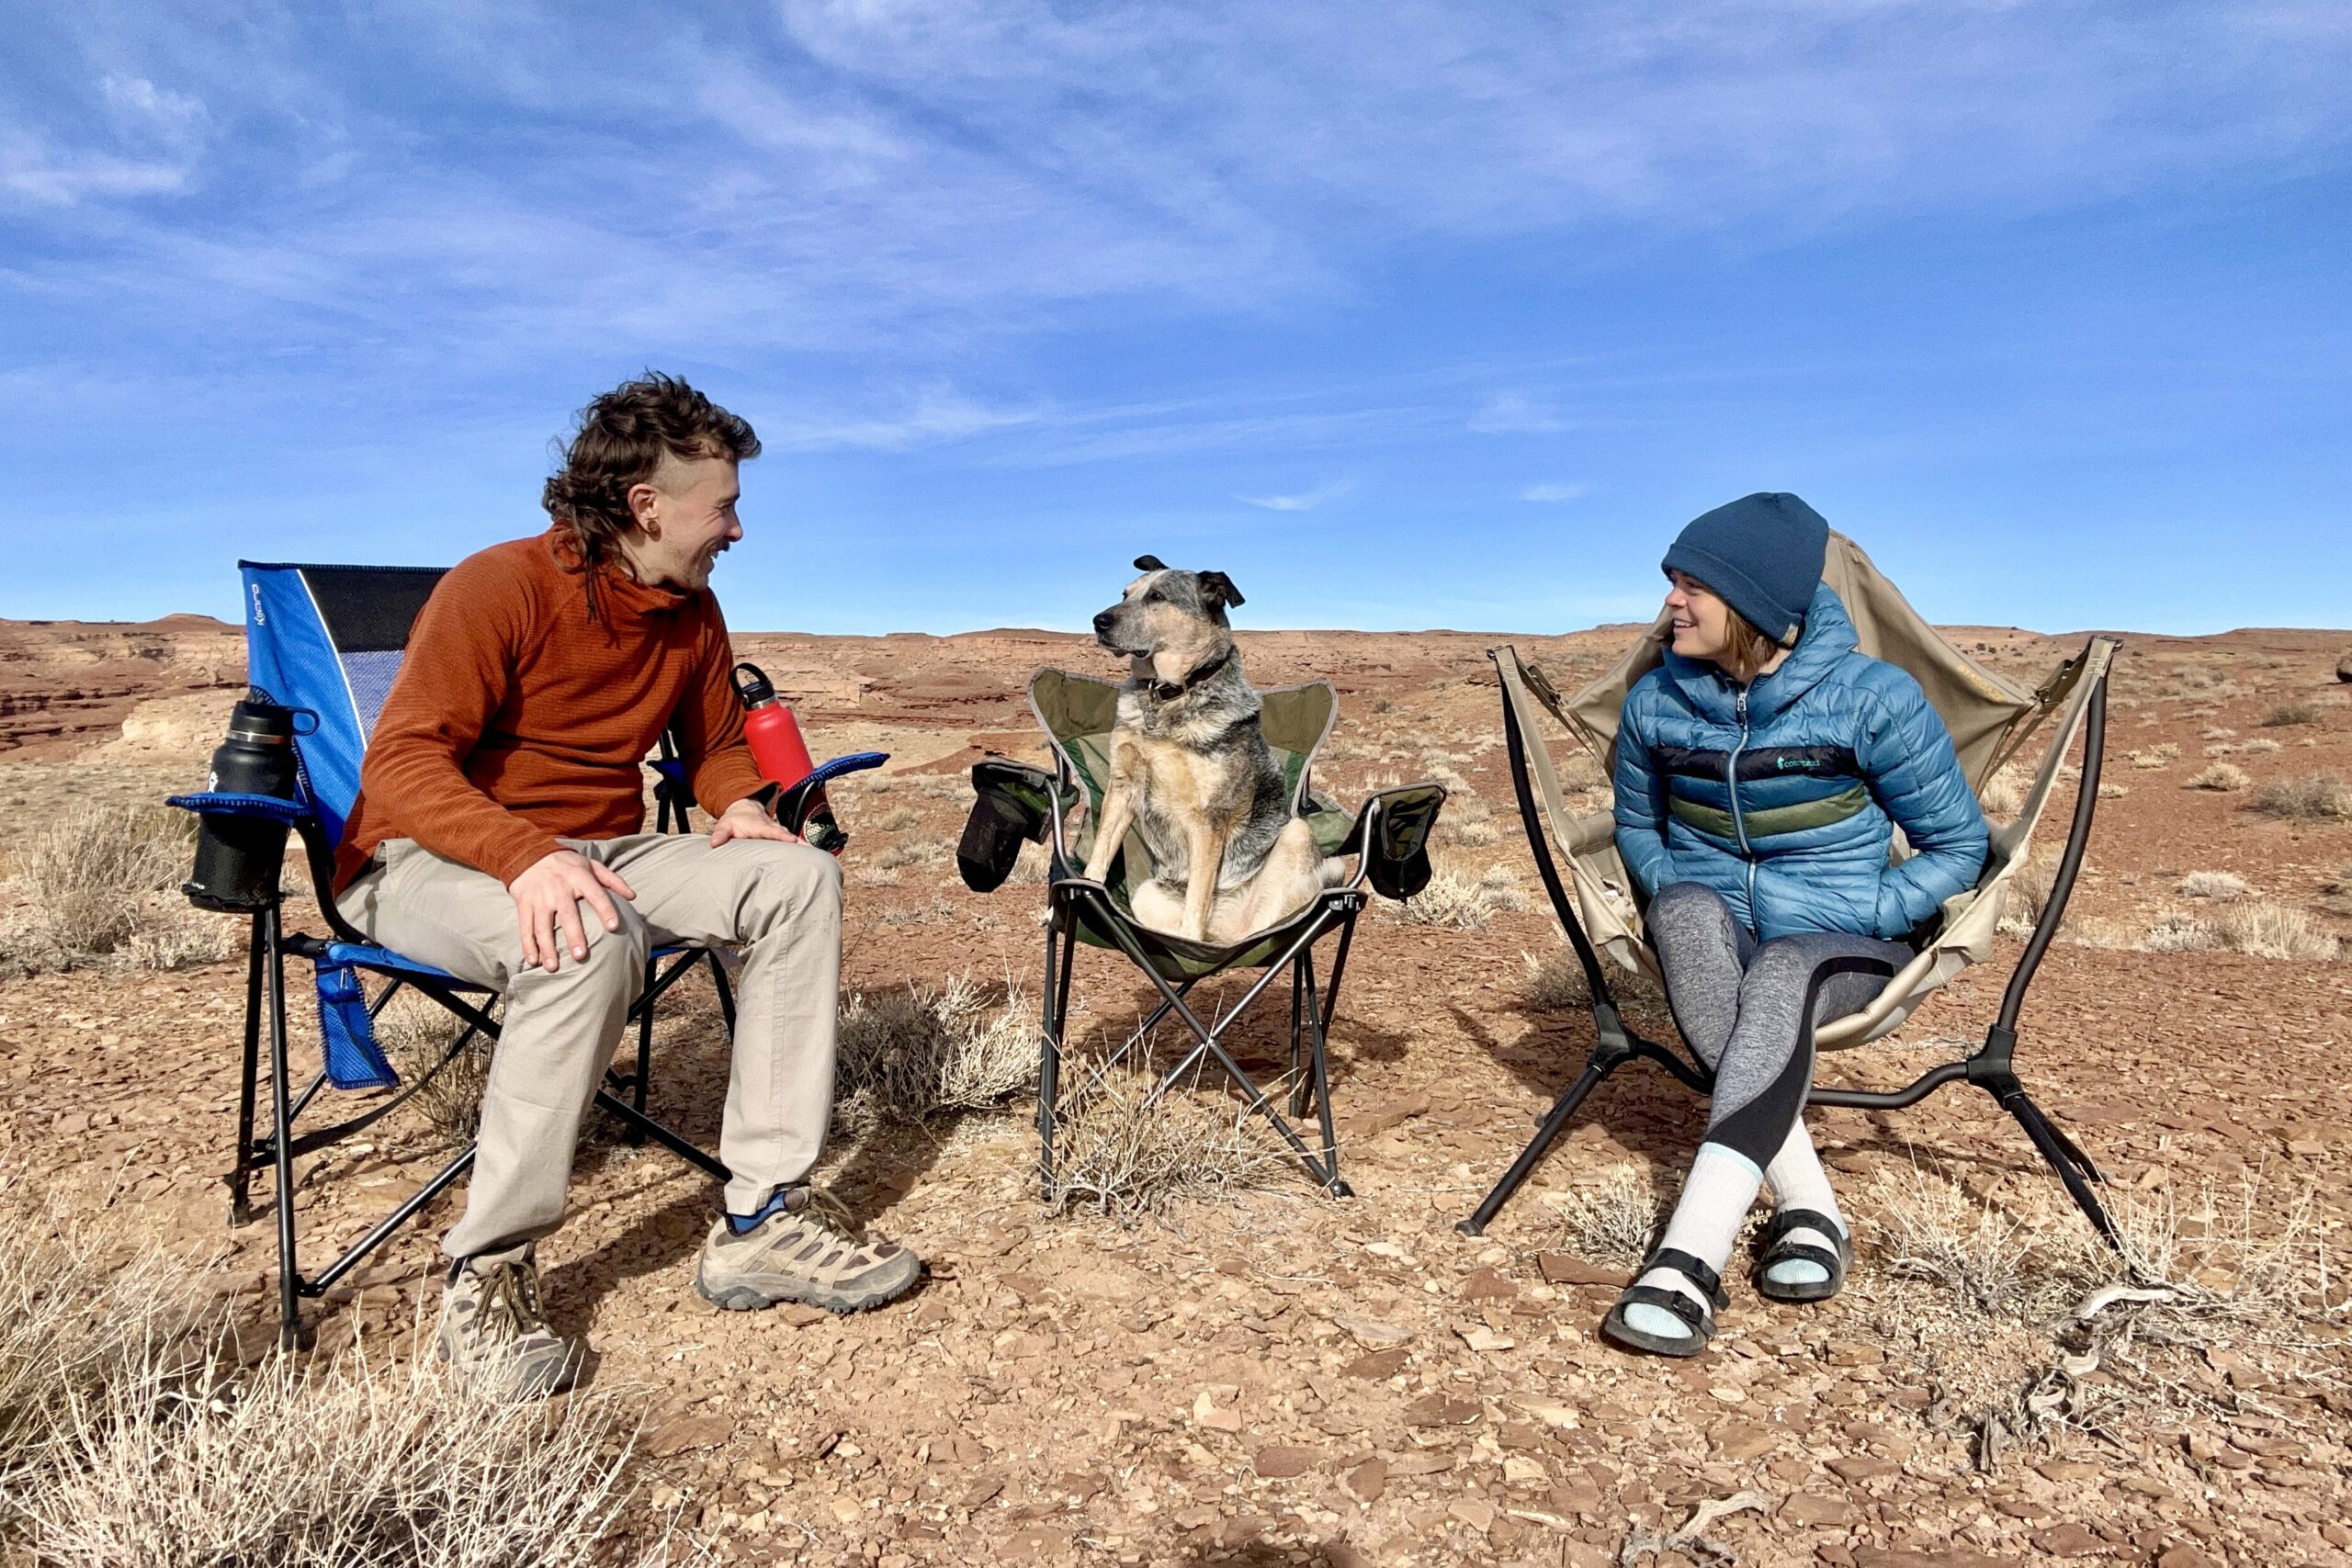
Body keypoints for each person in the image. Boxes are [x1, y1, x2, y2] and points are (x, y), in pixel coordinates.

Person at [334, 373, 921, 1397]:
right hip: (431, 858)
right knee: (585, 934)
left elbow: (720, 745)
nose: (736, 529)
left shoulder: (690, 612)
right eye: (724, 506)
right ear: (647, 505)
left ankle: (763, 1217)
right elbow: (402, 768)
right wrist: (523, 854)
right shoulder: (499, 585)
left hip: (599, 849)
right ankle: (491, 1270)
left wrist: (739, 804)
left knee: (793, 881)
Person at [1600, 492, 1986, 1357]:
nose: (1670, 601)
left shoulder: (1872, 700)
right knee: (1690, 921)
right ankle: (1811, 1209)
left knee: (1782, 975)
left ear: (1754, 607)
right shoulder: (1655, 703)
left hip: (1845, 943)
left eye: (1692, 585)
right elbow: (1635, 824)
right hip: (1721, 932)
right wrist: (1671, 887)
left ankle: (1689, 1254)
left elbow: (1957, 844)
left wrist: (1868, 909)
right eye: (1672, 580)